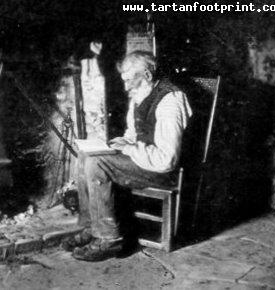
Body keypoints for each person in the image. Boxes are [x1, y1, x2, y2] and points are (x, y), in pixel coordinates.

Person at [62, 50, 193, 261]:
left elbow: (166, 160)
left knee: (98, 164)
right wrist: (122, 142)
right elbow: (133, 134)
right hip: (144, 161)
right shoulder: (141, 94)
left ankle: (109, 239)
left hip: (164, 172)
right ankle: (92, 227)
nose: (125, 87)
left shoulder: (171, 101)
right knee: (86, 155)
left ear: (148, 76)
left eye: (129, 80)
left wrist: (130, 148)